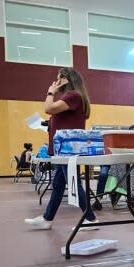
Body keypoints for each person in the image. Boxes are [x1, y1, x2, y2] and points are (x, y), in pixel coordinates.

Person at [24, 68, 98, 230]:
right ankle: (47, 219)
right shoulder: (74, 97)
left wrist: (51, 92)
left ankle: (91, 219)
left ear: (66, 79)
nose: (56, 82)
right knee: (58, 185)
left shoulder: (73, 96)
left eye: (58, 79)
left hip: (67, 149)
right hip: (64, 149)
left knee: (74, 184)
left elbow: (49, 108)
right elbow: (59, 117)